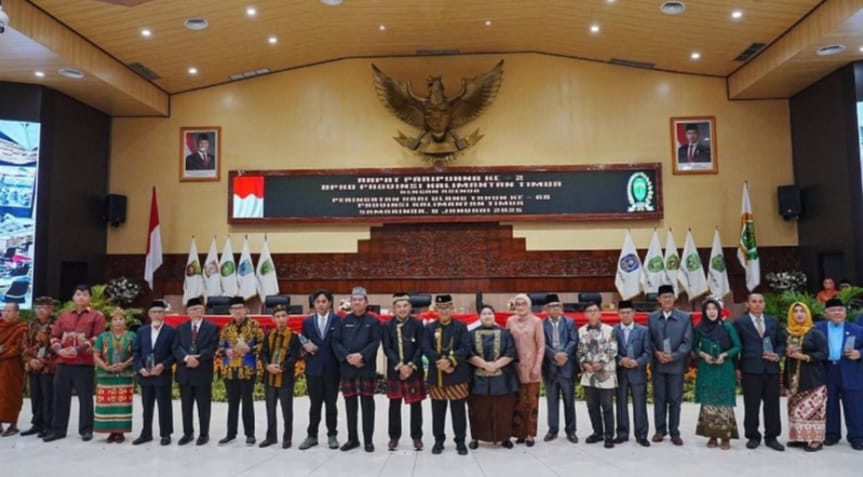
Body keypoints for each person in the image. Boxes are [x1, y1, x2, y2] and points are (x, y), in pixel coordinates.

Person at [43, 284, 106, 442]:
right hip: (63, 362)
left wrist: (78, 349)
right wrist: (59, 350)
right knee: (60, 397)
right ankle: (58, 429)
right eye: (78, 294)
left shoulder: (97, 316)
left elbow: (98, 337)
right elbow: (54, 336)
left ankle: (86, 429)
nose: (81, 297)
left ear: (89, 298)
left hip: (83, 363)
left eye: (85, 294)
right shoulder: (64, 316)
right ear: (73, 297)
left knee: (85, 398)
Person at [733, 292, 786, 451]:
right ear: (748, 304)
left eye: (760, 301)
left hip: (771, 369)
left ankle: (772, 437)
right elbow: (736, 347)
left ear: (764, 304)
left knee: (772, 405)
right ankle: (753, 436)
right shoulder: (740, 322)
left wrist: (778, 354)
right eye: (754, 301)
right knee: (751, 405)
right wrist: (736, 367)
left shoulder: (773, 321)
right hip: (750, 370)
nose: (757, 304)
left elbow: (781, 342)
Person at [332, 286, 382, 452]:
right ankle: (352, 439)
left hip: (365, 368)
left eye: (360, 300)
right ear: (351, 303)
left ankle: (368, 440)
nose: (357, 302)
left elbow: (375, 342)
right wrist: (348, 357)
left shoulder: (373, 321)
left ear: (366, 302)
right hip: (348, 369)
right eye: (354, 300)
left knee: (368, 405)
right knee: (350, 406)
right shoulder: (343, 321)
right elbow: (336, 342)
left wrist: (362, 356)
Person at [423, 294, 471, 455]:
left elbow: (465, 348)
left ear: (452, 308)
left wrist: (450, 362)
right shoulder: (429, 328)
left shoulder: (461, 326)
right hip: (437, 376)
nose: (444, 311)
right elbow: (426, 348)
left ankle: (460, 441)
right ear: (436, 310)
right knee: (438, 412)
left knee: (458, 412)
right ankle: (438, 440)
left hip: (456, 375)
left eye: (447, 308)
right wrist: (441, 363)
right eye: (441, 308)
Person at [467, 305, 518, 450]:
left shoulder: (505, 334)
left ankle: (505, 437)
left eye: (490, 313)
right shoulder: (470, 334)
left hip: (503, 378)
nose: (487, 316)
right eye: (484, 314)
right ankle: (476, 437)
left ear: (494, 316)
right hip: (478, 379)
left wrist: (495, 366)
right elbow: (468, 354)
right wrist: (484, 365)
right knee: (478, 409)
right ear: (479, 317)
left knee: (503, 409)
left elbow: (510, 353)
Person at [693, 298, 741, 450]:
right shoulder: (700, 327)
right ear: (705, 312)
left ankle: (725, 436)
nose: (712, 312)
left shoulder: (727, 327)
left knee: (724, 402)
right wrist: (703, 355)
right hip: (707, 369)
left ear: (719, 311)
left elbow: (738, 346)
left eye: (714, 309)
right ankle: (712, 436)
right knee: (709, 402)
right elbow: (693, 347)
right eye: (708, 309)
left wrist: (725, 355)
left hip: (724, 368)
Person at [815, 298, 863, 450]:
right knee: (830, 403)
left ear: (845, 313)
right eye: (833, 310)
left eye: (840, 310)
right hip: (827, 369)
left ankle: (857, 437)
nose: (837, 313)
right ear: (826, 313)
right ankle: (831, 434)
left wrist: (860, 353)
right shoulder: (817, 328)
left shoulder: (857, 329)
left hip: (850, 369)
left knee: (854, 404)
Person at [647, 284, 692, 446]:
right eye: (664, 297)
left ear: (674, 298)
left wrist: (673, 356)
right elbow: (649, 340)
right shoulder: (652, 318)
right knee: (659, 399)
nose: (667, 300)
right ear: (659, 299)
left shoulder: (684, 318)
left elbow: (687, 343)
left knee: (674, 399)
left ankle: (674, 432)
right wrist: (656, 353)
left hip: (676, 366)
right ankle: (660, 430)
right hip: (658, 364)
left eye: (670, 297)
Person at [381, 293, 426, 451]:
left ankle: (417, 437)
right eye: (398, 306)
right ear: (394, 309)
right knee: (394, 406)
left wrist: (411, 366)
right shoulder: (387, 326)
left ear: (410, 307)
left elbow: (422, 347)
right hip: (395, 371)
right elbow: (387, 348)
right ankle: (394, 437)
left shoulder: (418, 324)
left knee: (416, 406)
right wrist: (400, 366)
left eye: (405, 306)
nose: (402, 309)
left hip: (414, 370)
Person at [218, 296, 264, 446]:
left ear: (246, 309)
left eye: (240, 308)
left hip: (247, 369)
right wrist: (226, 351)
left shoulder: (254, 326)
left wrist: (250, 348)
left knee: (247, 402)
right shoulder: (226, 328)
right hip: (229, 370)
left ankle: (250, 434)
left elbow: (263, 345)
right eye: (234, 309)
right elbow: (219, 349)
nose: (237, 311)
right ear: (230, 311)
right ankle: (231, 433)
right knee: (232, 403)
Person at [298, 289, 341, 451]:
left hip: (332, 369)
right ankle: (312, 435)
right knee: (314, 405)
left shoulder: (338, 321)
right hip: (313, 369)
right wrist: (306, 347)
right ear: (314, 304)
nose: (321, 304)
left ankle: (332, 435)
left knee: (331, 404)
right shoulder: (308, 322)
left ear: (329, 303)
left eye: (324, 301)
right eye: (318, 302)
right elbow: (302, 342)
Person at [173, 297, 219, 446]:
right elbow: (176, 347)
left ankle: (204, 434)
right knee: (186, 405)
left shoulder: (212, 328)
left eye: (198, 309)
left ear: (203, 310)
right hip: (185, 371)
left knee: (203, 405)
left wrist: (198, 358)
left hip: (202, 370)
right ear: (187, 312)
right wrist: (187, 358)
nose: (195, 312)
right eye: (192, 309)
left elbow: (212, 347)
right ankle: (188, 433)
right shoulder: (181, 328)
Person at [784, 302, 828, 452]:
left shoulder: (815, 332)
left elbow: (824, 353)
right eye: (795, 311)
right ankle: (800, 438)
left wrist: (805, 356)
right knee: (796, 409)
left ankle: (816, 440)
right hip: (793, 377)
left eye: (802, 311)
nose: (799, 314)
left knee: (814, 410)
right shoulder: (789, 333)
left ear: (807, 313)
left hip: (813, 377)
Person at [132, 300, 177, 446]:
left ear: (164, 314)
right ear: (149, 314)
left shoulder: (171, 331)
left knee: (164, 405)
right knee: (147, 405)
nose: (157, 315)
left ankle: (166, 434)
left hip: (162, 374)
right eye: (154, 312)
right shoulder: (142, 331)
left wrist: (163, 365)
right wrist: (140, 368)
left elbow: (174, 353)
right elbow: (136, 352)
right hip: (145, 374)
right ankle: (146, 433)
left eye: (160, 312)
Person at [259, 304, 301, 449]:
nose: (281, 319)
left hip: (285, 378)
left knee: (286, 409)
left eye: (283, 316)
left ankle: (287, 437)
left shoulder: (294, 336)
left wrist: (281, 367)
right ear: (273, 319)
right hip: (270, 377)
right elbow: (263, 353)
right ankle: (271, 436)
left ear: (288, 318)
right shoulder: (269, 335)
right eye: (278, 317)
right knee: (270, 408)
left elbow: (295, 356)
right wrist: (267, 366)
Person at [506, 293, 545, 447]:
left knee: (532, 402)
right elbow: (506, 342)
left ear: (529, 306)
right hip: (515, 367)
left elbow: (541, 345)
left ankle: (530, 433)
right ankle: (519, 433)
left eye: (523, 304)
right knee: (517, 402)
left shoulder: (536, 321)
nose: (520, 307)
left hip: (531, 367)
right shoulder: (510, 321)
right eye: (518, 304)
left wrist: (537, 366)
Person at [577, 301, 618, 448]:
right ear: (585, 314)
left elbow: (613, 349)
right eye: (589, 310)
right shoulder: (581, 331)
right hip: (589, 374)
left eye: (595, 310)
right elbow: (579, 351)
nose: (593, 313)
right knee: (592, 406)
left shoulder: (609, 330)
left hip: (605, 373)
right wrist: (584, 363)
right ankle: (597, 433)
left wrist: (601, 362)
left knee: (607, 406)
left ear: (600, 313)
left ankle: (609, 436)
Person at [93, 308, 136, 443]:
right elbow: (96, 354)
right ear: (110, 322)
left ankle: (120, 432)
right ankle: (110, 431)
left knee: (122, 403)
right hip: (106, 375)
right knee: (107, 403)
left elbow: (137, 354)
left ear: (125, 321)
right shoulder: (103, 337)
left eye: (121, 319)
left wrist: (125, 364)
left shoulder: (132, 336)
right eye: (115, 319)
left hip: (125, 374)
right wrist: (105, 366)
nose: (118, 322)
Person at [613, 300, 652, 447]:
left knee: (640, 404)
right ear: (618, 314)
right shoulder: (614, 331)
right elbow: (610, 352)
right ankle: (622, 433)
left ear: (634, 313)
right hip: (621, 372)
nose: (625, 315)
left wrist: (638, 362)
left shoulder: (643, 331)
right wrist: (620, 360)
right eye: (622, 312)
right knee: (621, 404)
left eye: (628, 312)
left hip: (637, 372)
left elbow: (648, 352)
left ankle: (641, 434)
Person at [541, 293, 578, 443]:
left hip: (567, 366)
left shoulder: (569, 322)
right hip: (550, 367)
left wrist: (564, 355)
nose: (556, 309)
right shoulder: (541, 324)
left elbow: (574, 340)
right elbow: (541, 343)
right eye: (552, 306)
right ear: (546, 309)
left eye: (558, 306)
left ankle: (571, 431)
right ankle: (553, 430)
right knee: (552, 401)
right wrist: (554, 355)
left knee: (569, 401)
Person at [21, 296, 56, 438]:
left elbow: (56, 345)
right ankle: (37, 423)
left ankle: (48, 425)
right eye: (38, 307)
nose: (40, 310)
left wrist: (42, 360)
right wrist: (30, 359)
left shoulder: (56, 324)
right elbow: (24, 344)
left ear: (51, 309)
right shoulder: (31, 324)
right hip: (33, 365)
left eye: (44, 307)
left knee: (47, 396)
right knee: (35, 396)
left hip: (48, 367)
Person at [0, 303, 28, 436]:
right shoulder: (1, 326)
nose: (5, 313)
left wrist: (2, 352)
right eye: (3, 311)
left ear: (17, 313)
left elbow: (17, 348)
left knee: (12, 393)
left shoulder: (22, 328)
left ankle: (13, 425)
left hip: (12, 366)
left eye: (9, 311)